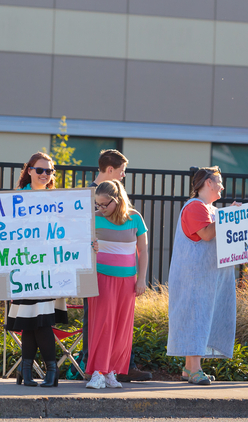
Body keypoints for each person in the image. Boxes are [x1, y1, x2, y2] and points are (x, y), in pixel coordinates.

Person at [0, 152, 67, 387]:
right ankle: (35, 371)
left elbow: (70, 233)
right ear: (29, 170)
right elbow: (3, 233)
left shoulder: (58, 201)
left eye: (49, 171)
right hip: (22, 269)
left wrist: (88, 245)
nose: (45, 175)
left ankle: (37, 371)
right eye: (40, 170)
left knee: (39, 320)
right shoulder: (15, 199)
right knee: (31, 321)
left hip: (48, 269)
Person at [166, 166, 238, 385]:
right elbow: (207, 234)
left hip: (203, 277)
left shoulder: (208, 208)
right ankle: (195, 370)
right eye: (219, 181)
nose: (222, 186)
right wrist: (230, 217)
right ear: (208, 183)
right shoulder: (196, 207)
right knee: (195, 320)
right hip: (195, 278)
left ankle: (190, 369)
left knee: (198, 318)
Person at [88, 149, 152, 383]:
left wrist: (142, 279)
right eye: (97, 204)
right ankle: (98, 371)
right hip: (101, 277)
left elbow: (143, 250)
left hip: (128, 280)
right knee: (102, 325)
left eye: (105, 204)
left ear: (118, 200)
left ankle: (112, 371)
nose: (100, 208)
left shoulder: (135, 218)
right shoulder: (94, 217)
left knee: (122, 327)